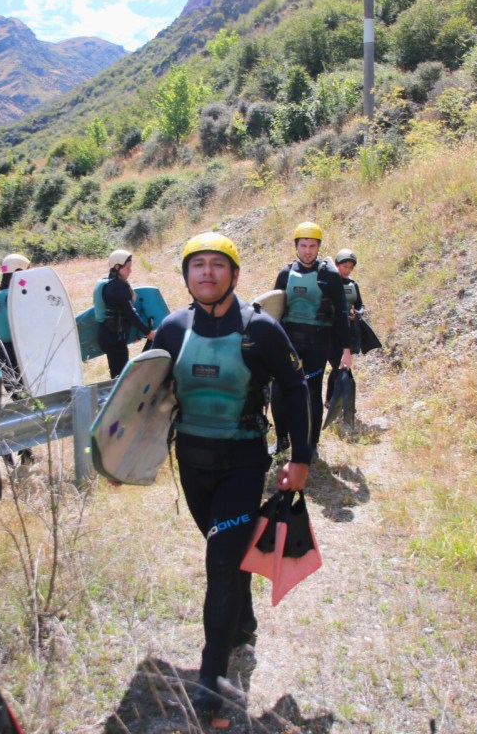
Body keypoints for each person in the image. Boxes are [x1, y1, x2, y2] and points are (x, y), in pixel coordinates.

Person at [151, 232, 311, 723]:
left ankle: (212, 686)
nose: (206, 272)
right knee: (229, 552)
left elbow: (295, 387)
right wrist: (123, 460)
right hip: (192, 463)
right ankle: (242, 620)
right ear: (186, 276)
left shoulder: (259, 330)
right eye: (196, 265)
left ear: (234, 275)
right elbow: (143, 400)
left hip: (243, 459)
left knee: (220, 564)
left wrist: (299, 456)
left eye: (217, 265)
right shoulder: (171, 329)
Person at [269, 221, 352, 463]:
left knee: (312, 393)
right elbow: (272, 311)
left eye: (312, 246)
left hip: (318, 343)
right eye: (303, 245)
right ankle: (282, 439)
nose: (307, 250)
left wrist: (346, 351)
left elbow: (342, 314)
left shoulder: (330, 276)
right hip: (288, 342)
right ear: (296, 246)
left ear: (318, 247)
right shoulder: (285, 274)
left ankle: (311, 443)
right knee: (279, 390)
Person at [0, 253, 32, 465]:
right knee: (23, 404)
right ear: (18, 271)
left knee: (13, 403)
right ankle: (24, 451)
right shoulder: (19, 296)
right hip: (19, 354)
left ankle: (14, 452)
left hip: (0, 356)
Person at [94, 248, 155, 379]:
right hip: (114, 339)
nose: (130, 271)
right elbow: (130, 314)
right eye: (127, 267)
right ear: (117, 267)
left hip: (107, 336)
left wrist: (133, 334)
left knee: (118, 376)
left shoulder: (107, 284)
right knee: (121, 379)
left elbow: (119, 312)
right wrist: (148, 333)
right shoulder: (117, 286)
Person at [325, 248, 364, 407]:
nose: (347, 270)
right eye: (344, 266)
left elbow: (360, 305)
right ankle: (339, 402)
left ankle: (330, 400)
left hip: (346, 333)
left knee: (338, 367)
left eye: (350, 267)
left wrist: (358, 314)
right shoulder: (328, 282)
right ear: (336, 265)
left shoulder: (353, 285)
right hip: (329, 332)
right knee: (339, 365)